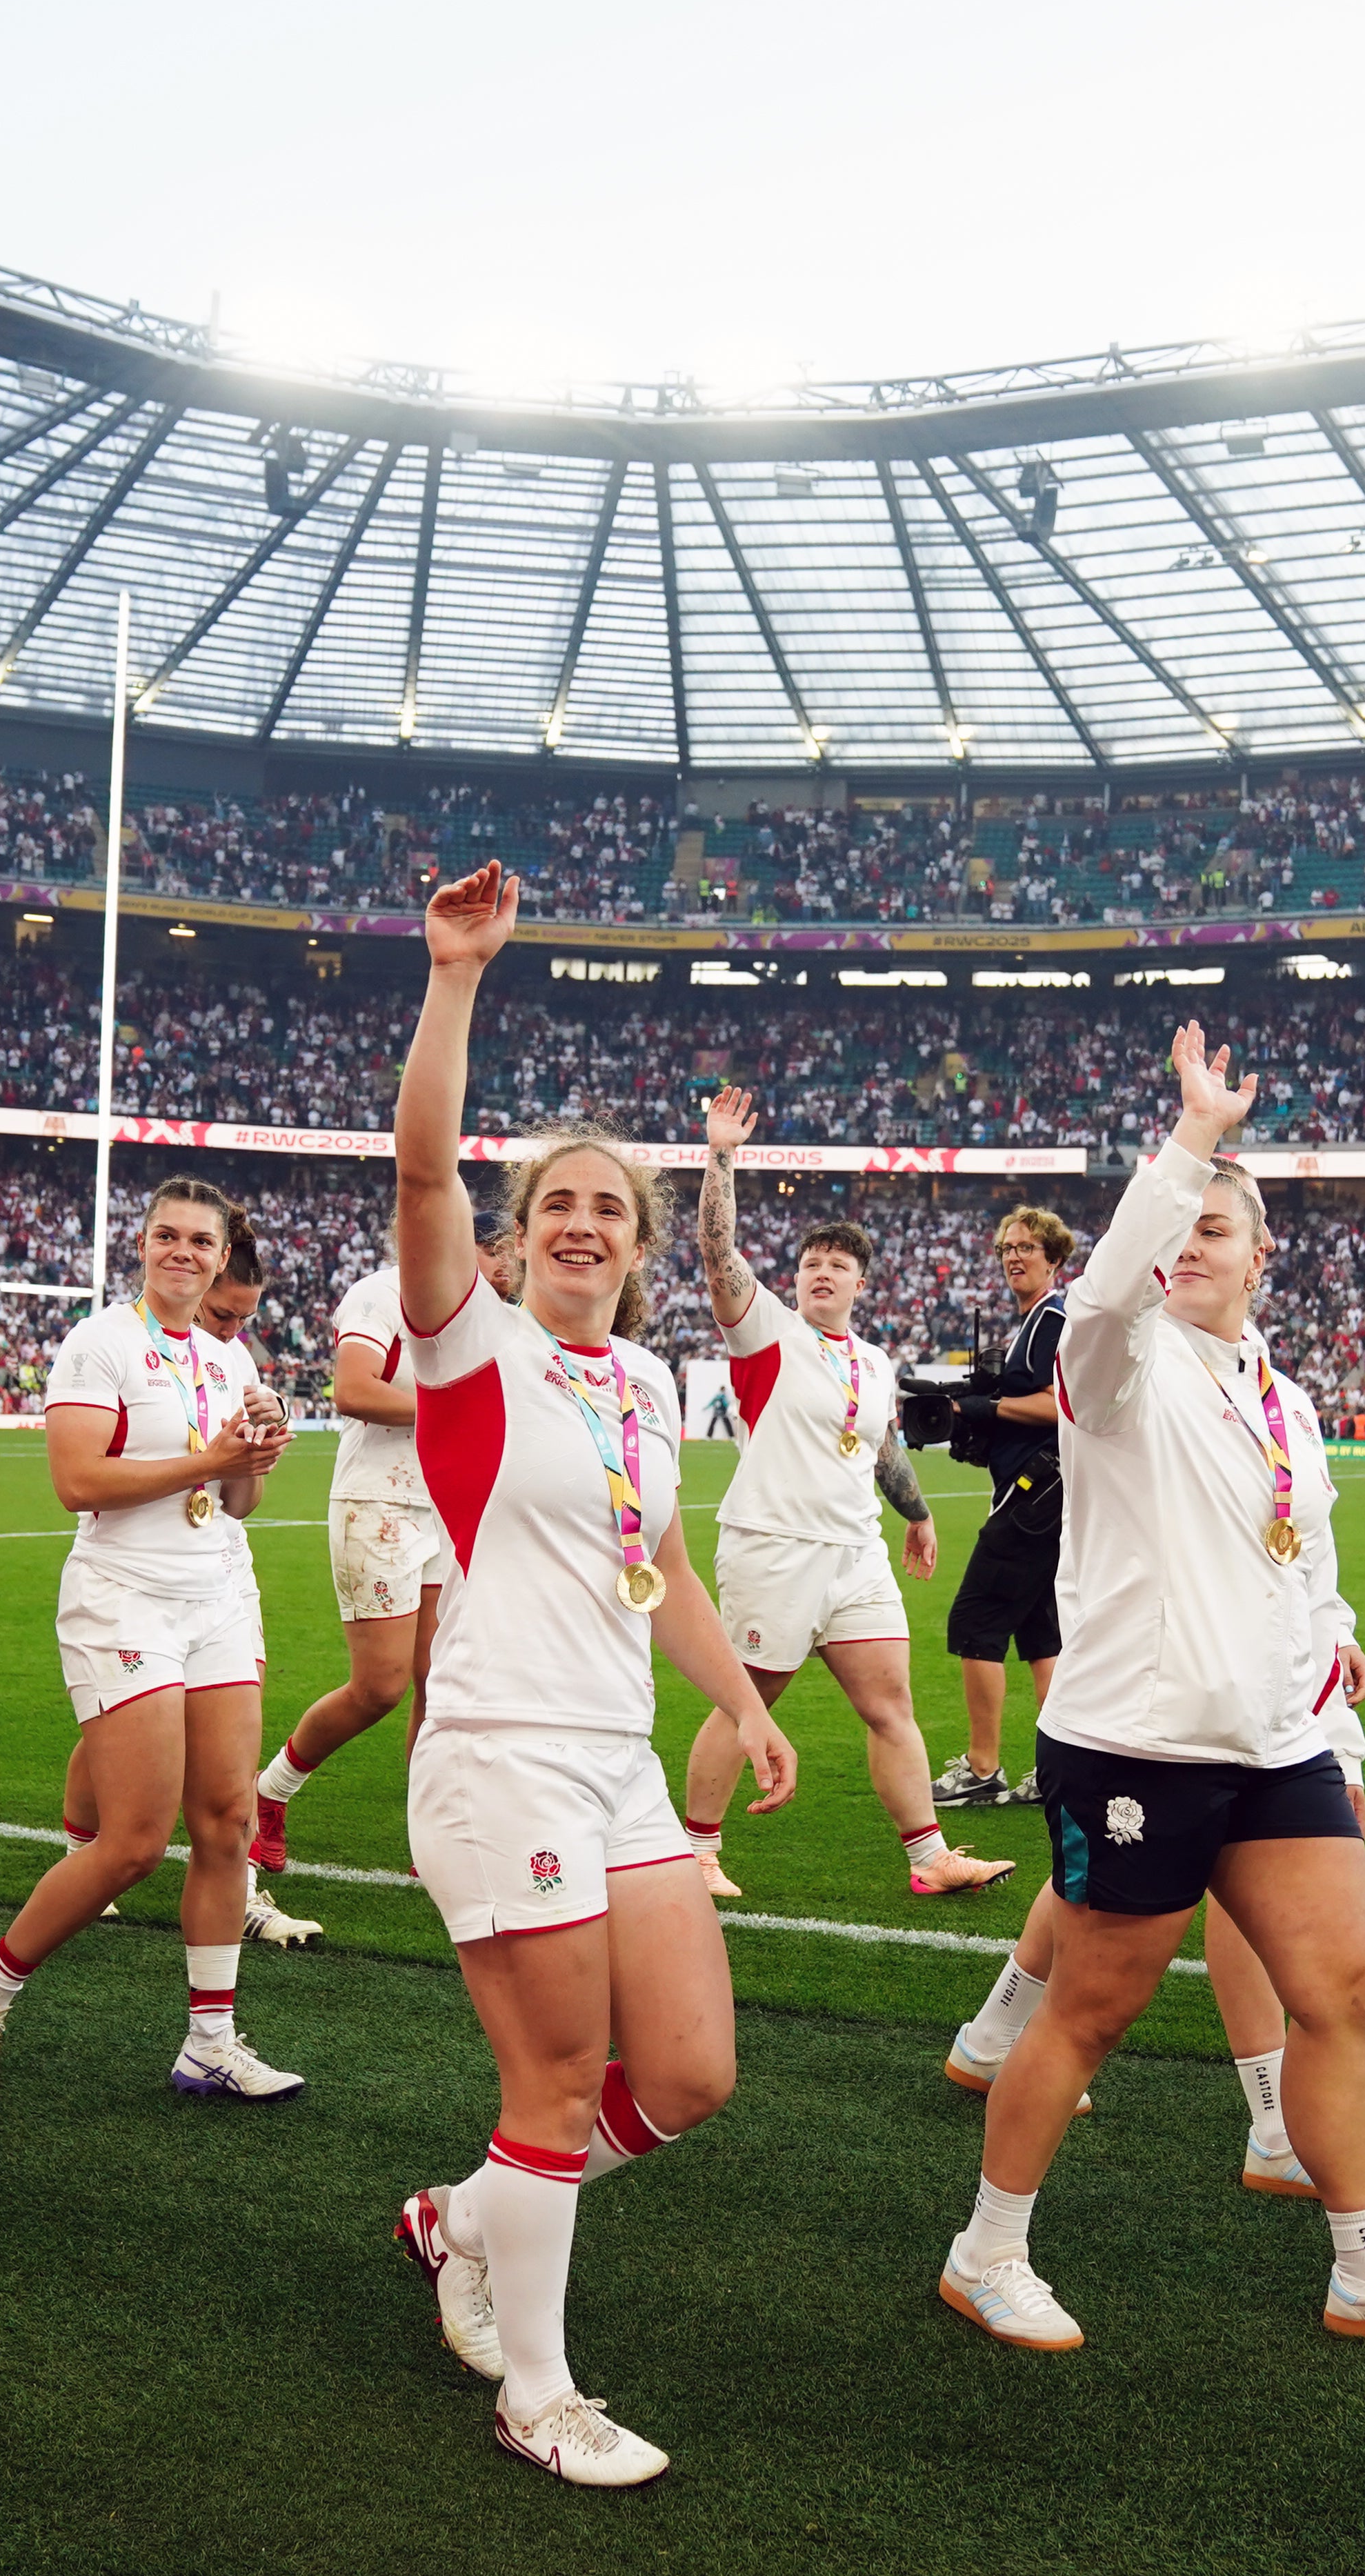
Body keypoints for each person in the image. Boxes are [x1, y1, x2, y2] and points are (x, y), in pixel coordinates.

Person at [935, 1021, 1365, 2359]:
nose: (1192, 1245)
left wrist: (1328, 1633)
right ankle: (987, 2248)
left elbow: (1296, 1539)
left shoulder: (1287, 1395)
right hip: (1136, 1740)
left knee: (1342, 1988)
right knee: (1096, 2004)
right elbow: (1103, 1302)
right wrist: (1193, 1136)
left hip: (1278, 1736)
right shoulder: (1115, 1367)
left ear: (1263, 1254)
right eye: (1174, 1229)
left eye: (1219, 1229)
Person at [379, 863, 797, 2489]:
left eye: (608, 1207)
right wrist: (455, 979)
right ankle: (537, 2390)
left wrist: (741, 1699)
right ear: (517, 1237)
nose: (581, 1223)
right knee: (551, 2081)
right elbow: (422, 1167)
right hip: (500, 1754)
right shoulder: (469, 1350)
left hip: (618, 1762)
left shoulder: (647, 1377)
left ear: (632, 1243)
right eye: (556, 1202)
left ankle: (457, 2216)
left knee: (687, 2071)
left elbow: (664, 1562)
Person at [0, 1179, 303, 2108]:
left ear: (224, 1259)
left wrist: (255, 1462)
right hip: (125, 1599)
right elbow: (77, 1482)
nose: (182, 1253)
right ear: (141, 1246)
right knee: (135, 1842)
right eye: (166, 1237)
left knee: (226, 1823)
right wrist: (216, 1460)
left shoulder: (230, 1363)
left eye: (200, 1242)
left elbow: (240, 1502)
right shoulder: (99, 1342)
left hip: (217, 1592)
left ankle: (210, 2041)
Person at [676, 1088, 1001, 1901]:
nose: (822, 1273)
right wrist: (721, 1156)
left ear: (860, 1281)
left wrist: (918, 1513)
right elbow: (719, 1255)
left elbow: (881, 1442)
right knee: (747, 1698)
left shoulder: (874, 1358)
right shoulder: (767, 1332)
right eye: (811, 1264)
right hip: (775, 1544)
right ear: (798, 1279)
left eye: (838, 1265)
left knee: (893, 1705)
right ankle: (695, 1851)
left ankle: (928, 1858)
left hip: (855, 1555)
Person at [251, 1205, 516, 1879]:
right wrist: (454, 1409)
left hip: (445, 1510)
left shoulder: (493, 1321)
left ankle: (431, 1840)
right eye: (502, 1257)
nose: (511, 1271)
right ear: (466, 1250)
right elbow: (353, 1388)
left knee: (441, 1683)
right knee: (381, 1687)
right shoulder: (380, 1293)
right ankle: (269, 1793)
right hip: (378, 1502)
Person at [935, 1205, 1073, 1809]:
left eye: (1027, 1247)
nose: (1015, 1256)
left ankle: (983, 1767)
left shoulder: (1053, 1317)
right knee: (1043, 1636)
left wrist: (982, 1410)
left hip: (1034, 1494)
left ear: (1055, 1258)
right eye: (1007, 1248)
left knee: (976, 1622)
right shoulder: (1034, 1321)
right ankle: (1056, 1769)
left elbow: (1061, 1406)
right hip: (1040, 1493)